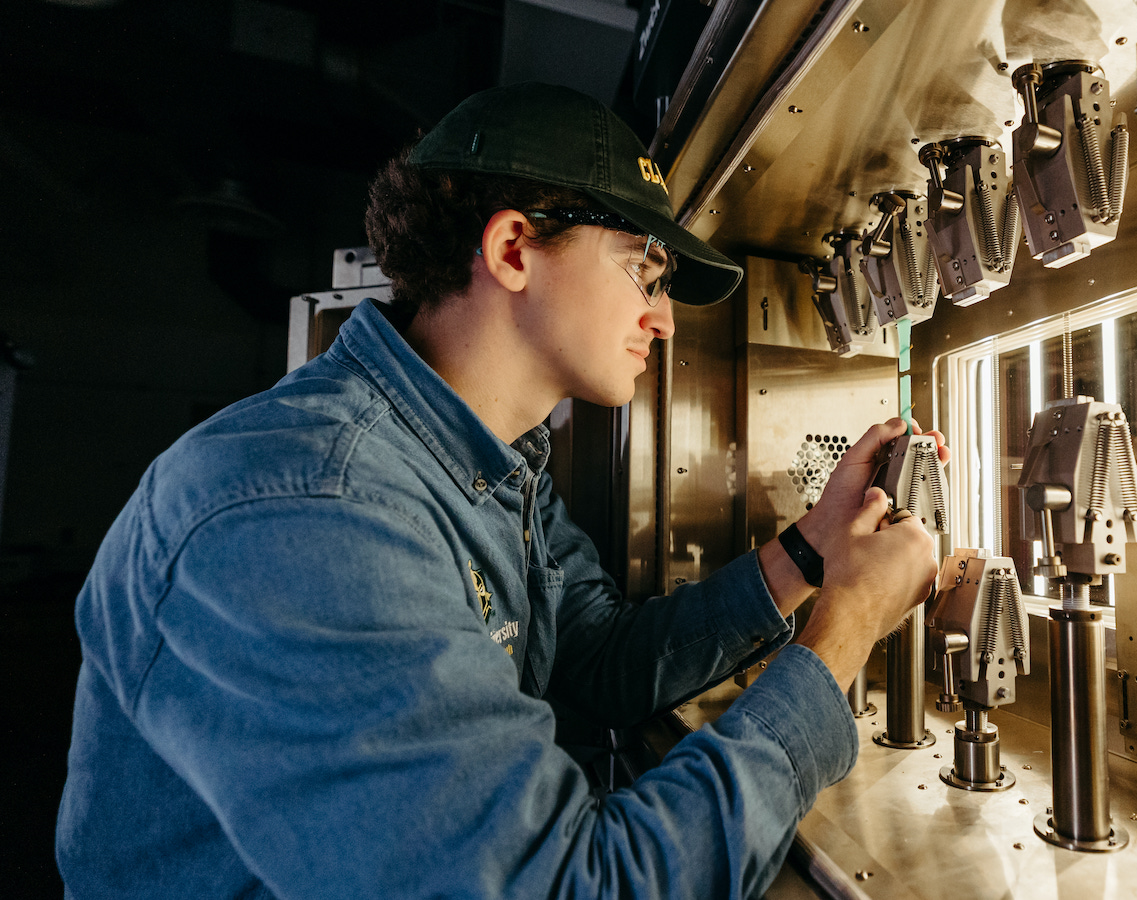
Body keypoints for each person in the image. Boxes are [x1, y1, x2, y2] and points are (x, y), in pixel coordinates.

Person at [56, 82, 946, 898]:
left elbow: (594, 661)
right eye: (644, 269)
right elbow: (570, 887)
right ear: (514, 248)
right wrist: (845, 633)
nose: (665, 319)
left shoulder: (490, 460)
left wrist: (811, 553)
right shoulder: (316, 509)